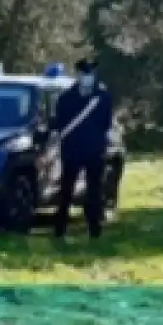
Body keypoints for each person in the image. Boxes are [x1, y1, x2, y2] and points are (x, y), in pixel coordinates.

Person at [50, 58, 115, 239]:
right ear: (78, 75)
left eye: (91, 74)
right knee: (66, 190)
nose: (88, 77)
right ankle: (60, 228)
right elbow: (60, 123)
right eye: (85, 73)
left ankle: (94, 228)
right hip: (72, 150)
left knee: (94, 191)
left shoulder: (103, 98)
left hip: (94, 150)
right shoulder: (65, 98)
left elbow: (105, 123)